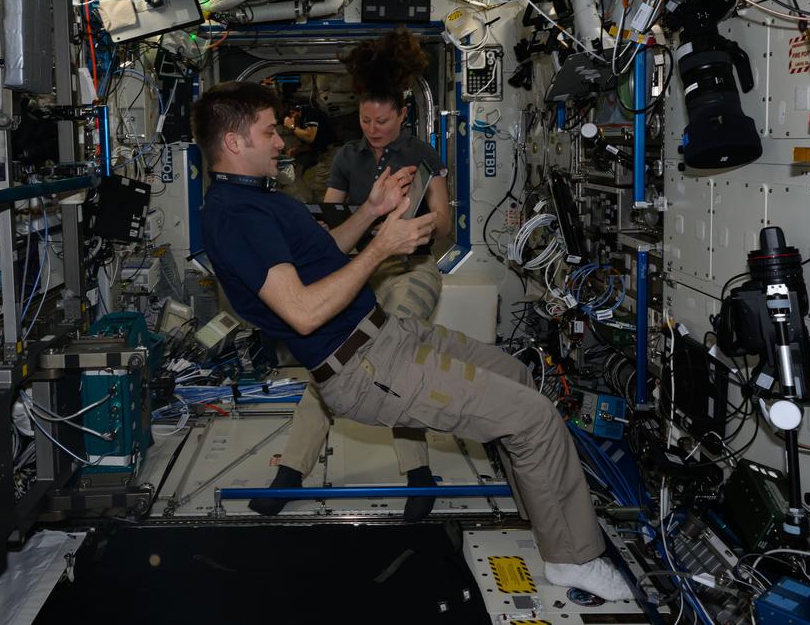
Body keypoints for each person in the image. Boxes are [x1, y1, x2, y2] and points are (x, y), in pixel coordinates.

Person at [194, 81, 633, 601]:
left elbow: (320, 255)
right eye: (268, 132)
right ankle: (571, 559)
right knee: (533, 419)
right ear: (235, 142)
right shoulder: (233, 216)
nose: (280, 143)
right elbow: (304, 312)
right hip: (364, 368)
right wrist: (382, 247)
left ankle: (544, 515)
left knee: (517, 377)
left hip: (386, 334)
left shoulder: (260, 199)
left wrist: (372, 211)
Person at [261, 30, 453, 520]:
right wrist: (365, 218)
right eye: (366, 120)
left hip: (412, 267)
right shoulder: (346, 158)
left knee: (392, 349)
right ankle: (291, 472)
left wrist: (416, 224)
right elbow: (331, 229)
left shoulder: (423, 156)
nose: (373, 128)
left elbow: (447, 227)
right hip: (359, 269)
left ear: (402, 115)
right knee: (332, 359)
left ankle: (418, 475)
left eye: (383, 121)